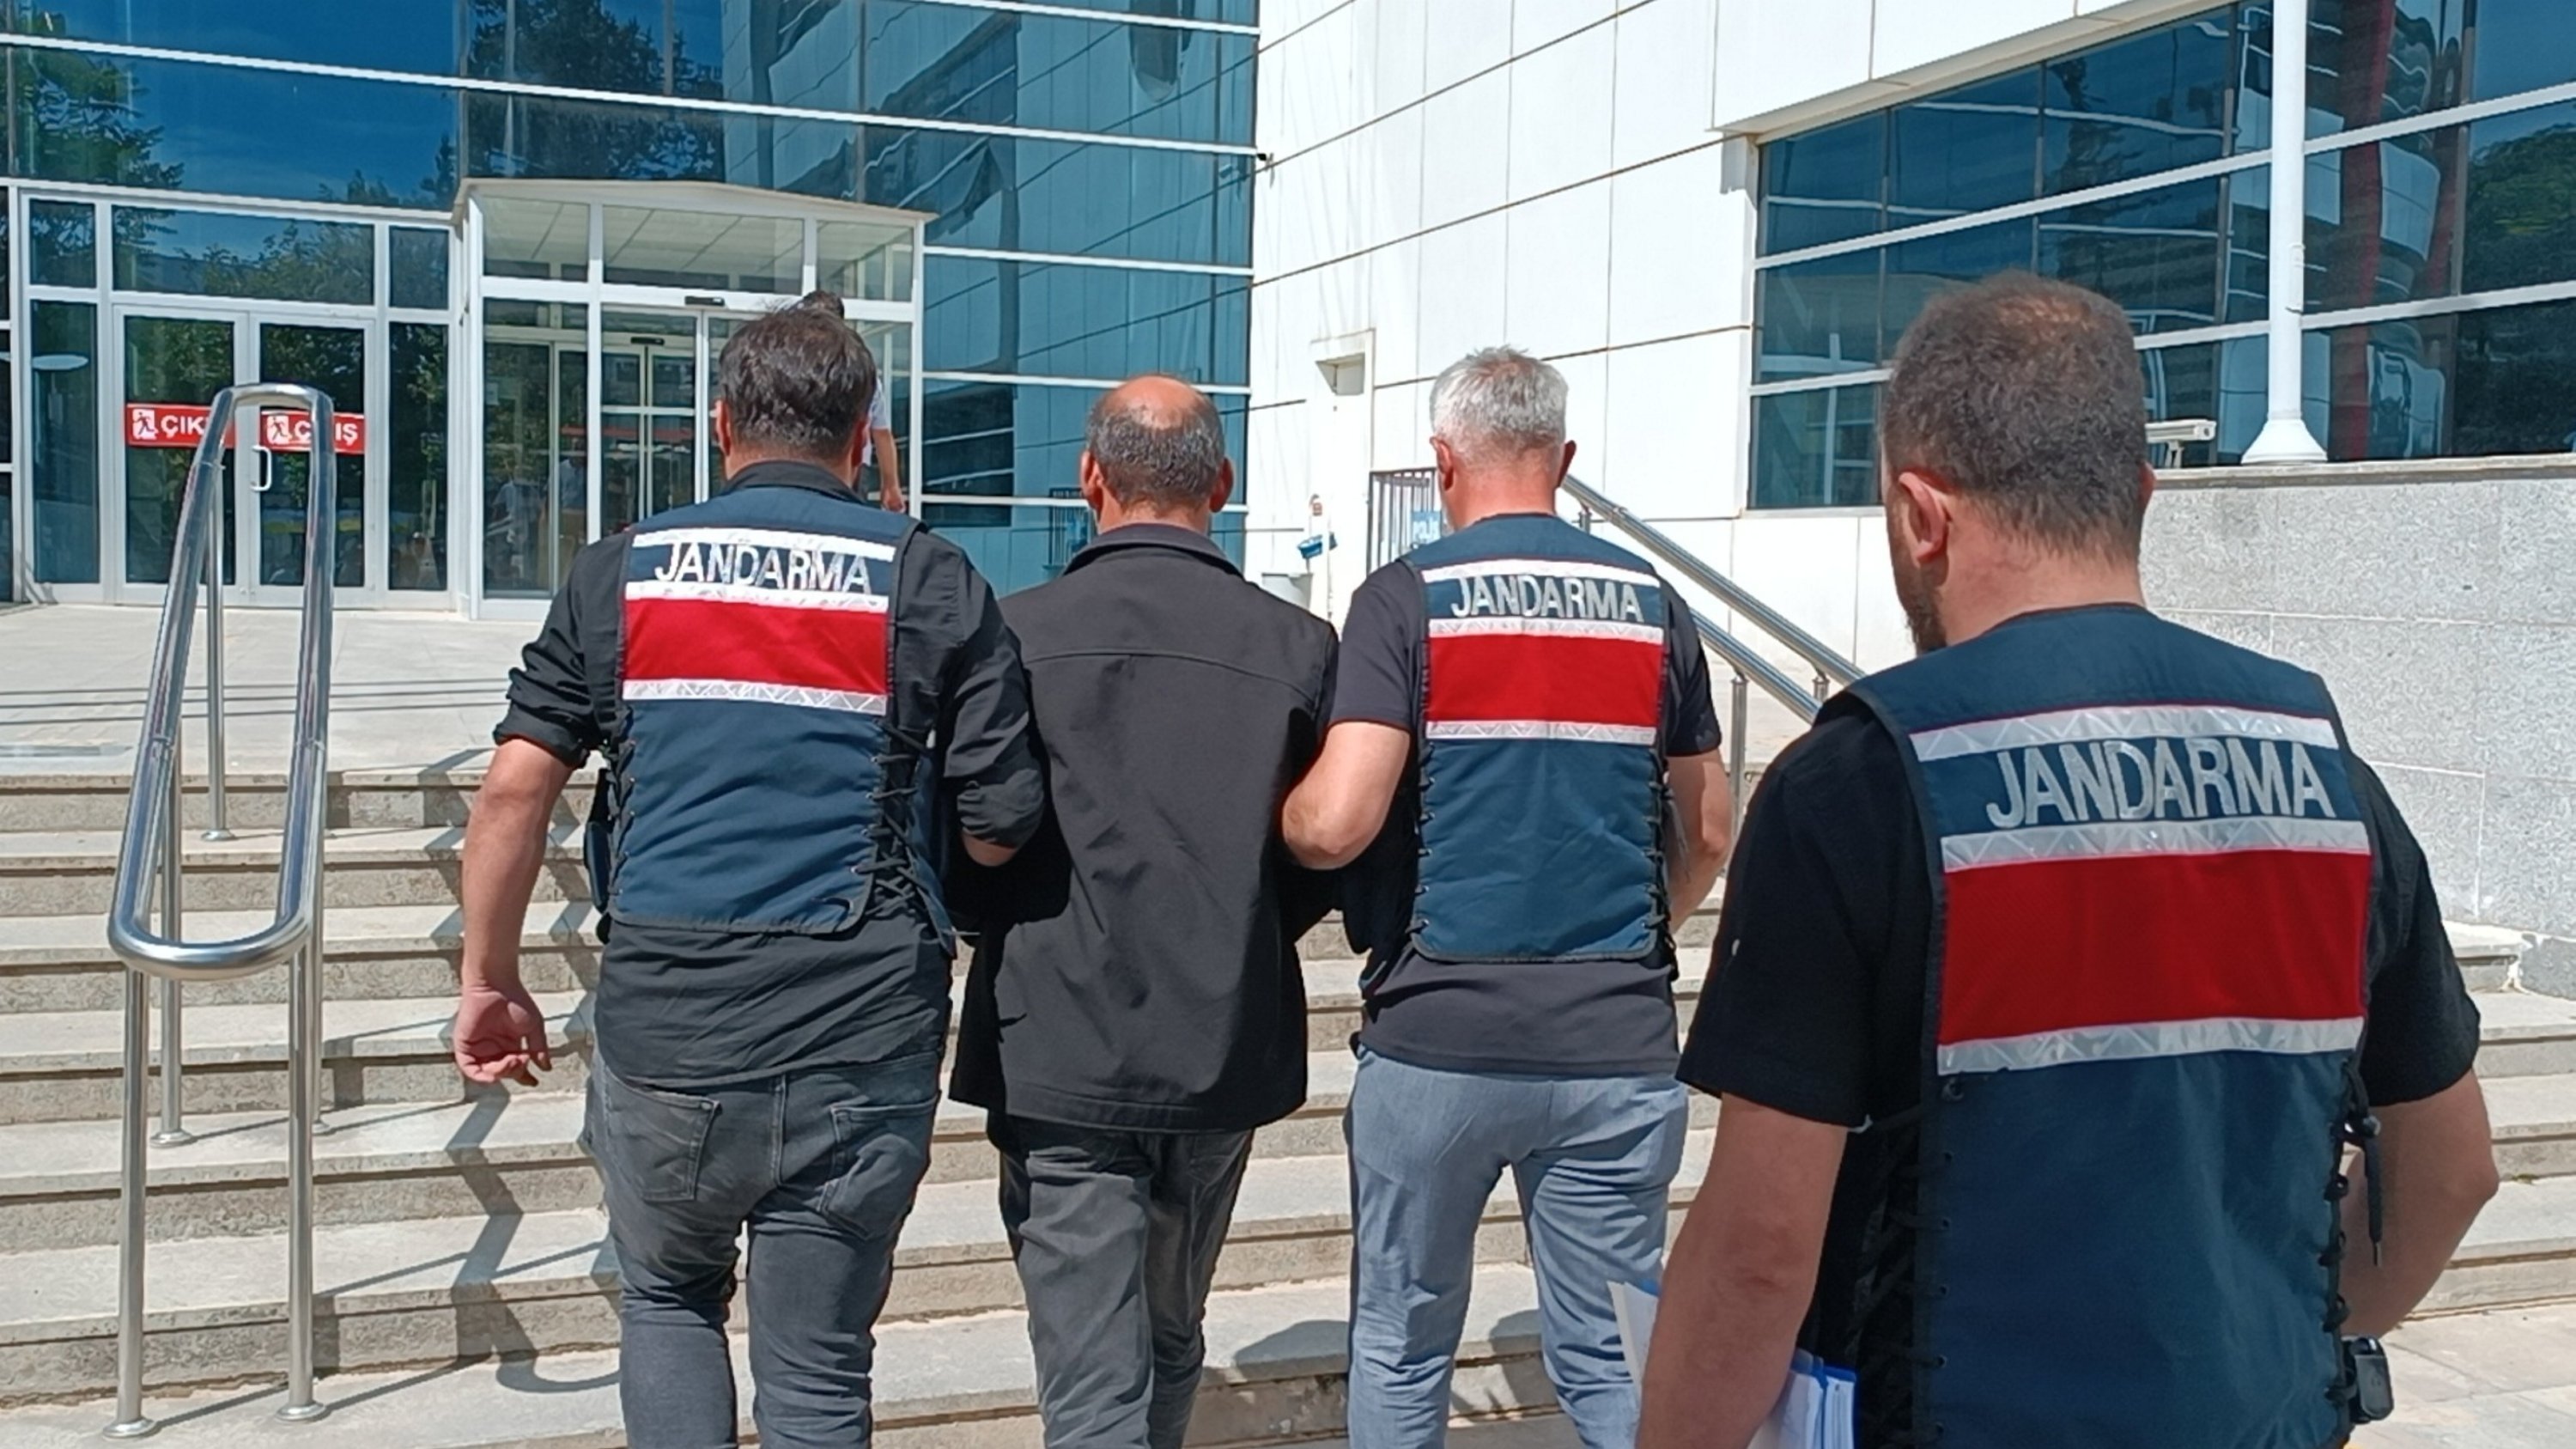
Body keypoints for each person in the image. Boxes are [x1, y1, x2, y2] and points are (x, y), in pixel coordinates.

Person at [1637, 274, 2501, 1449]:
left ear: (1920, 515)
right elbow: (2451, 1168)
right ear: (2139, 493)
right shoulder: (2327, 772)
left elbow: (1757, 1253)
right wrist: (2294, 1341)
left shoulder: (1858, 782)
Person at [452, 289, 1044, 1449]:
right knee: (818, 1371)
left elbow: (515, 790)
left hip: (668, 1033)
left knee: (668, 1299)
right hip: (859, 1034)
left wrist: (491, 976)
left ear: (719, 423)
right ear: (864, 432)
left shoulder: (622, 571)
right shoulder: (928, 575)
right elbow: (1000, 822)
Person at [1281, 346, 1735, 1449]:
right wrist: (1648, 926)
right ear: (1563, 459)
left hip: (1438, 1039)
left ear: (1442, 460)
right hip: (1614, 1045)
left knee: (1402, 1344)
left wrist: (1279, 815)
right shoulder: (1651, 604)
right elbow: (1713, 827)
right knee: (1613, 1357)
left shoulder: (1405, 600)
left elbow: (1338, 821)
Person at [951, 374, 1340, 1449]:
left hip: (1057, 1042)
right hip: (1221, 1039)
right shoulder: (1301, 647)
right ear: (1222, 482)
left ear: (1090, 478)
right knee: (1170, 1336)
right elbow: (1324, 845)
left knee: (1094, 1381)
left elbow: (973, 835)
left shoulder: (1010, 635)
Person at [860, 338, 904, 513]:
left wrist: (891, 484)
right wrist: (890, 485)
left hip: (854, 467)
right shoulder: (868, 379)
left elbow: (882, 434)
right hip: (853, 466)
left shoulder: (869, 381)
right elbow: (881, 434)